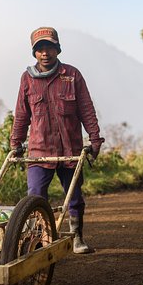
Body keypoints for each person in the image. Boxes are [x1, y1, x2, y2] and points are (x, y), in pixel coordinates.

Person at [10, 27, 104, 254]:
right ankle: (41, 237)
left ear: (57, 49)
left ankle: (77, 236)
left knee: (74, 196)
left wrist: (94, 139)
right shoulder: (27, 79)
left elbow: (86, 109)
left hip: (70, 149)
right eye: (40, 49)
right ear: (34, 53)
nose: (45, 53)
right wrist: (16, 144)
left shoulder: (71, 75)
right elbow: (22, 114)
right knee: (34, 196)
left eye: (49, 48)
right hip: (39, 150)